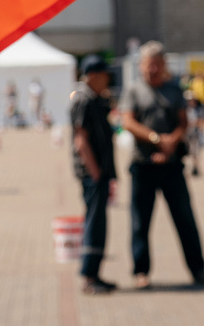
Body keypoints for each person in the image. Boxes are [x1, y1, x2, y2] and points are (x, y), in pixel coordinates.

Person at [120, 41, 204, 289]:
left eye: (157, 64)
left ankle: (198, 270)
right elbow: (128, 122)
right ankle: (141, 272)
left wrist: (172, 141)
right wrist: (155, 139)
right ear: (141, 66)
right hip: (143, 165)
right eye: (148, 64)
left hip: (172, 165)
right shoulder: (134, 91)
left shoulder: (174, 90)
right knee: (140, 222)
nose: (152, 69)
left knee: (185, 219)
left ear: (163, 66)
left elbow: (183, 121)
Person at [69, 55, 117, 295]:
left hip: (99, 172)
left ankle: (95, 273)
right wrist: (96, 173)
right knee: (94, 223)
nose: (107, 79)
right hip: (93, 174)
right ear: (93, 76)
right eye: (104, 75)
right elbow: (81, 141)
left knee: (99, 223)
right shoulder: (83, 100)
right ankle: (89, 276)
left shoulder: (96, 99)